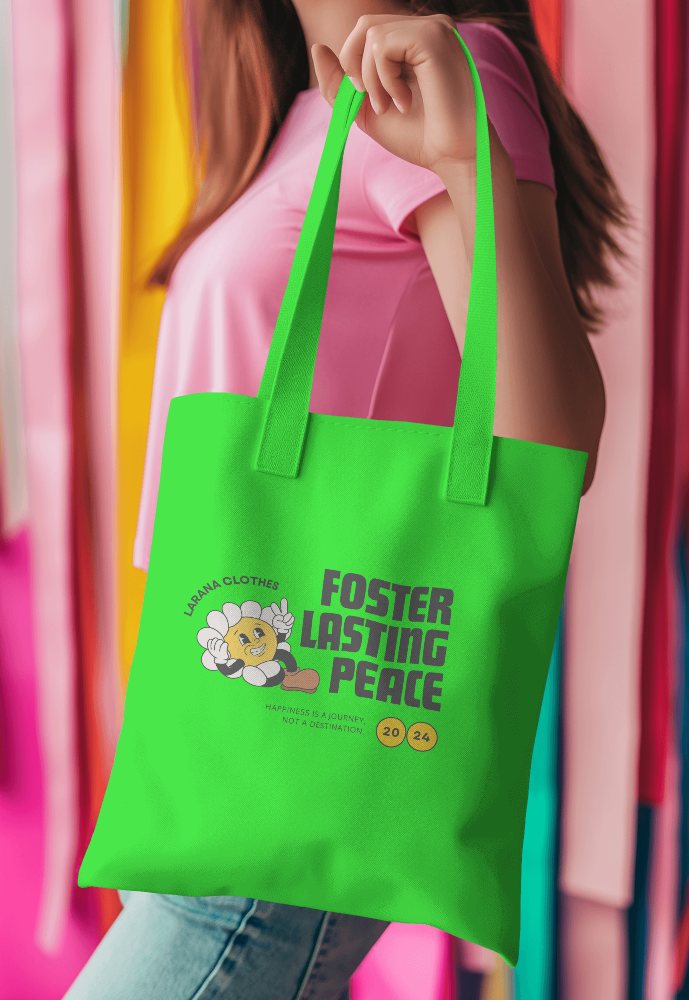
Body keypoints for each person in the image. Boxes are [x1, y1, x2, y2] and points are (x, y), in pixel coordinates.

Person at [65, 1, 627, 997]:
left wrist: (469, 163)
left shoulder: (447, 65)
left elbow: (551, 447)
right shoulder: (304, 96)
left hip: (305, 744)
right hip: (219, 738)